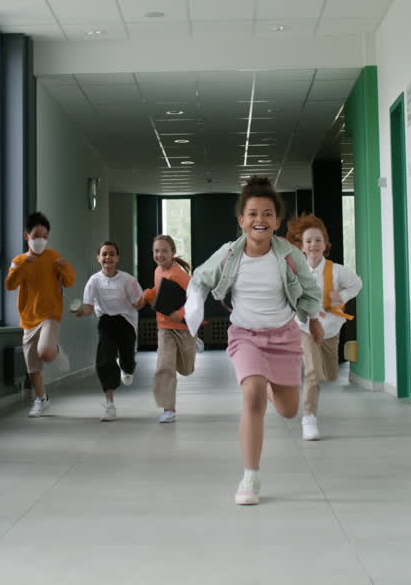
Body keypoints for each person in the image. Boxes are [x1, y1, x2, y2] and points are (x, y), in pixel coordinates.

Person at [185, 178, 322, 505]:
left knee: (289, 410)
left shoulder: (289, 255)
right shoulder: (229, 254)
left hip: (284, 335)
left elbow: (309, 290)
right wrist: (194, 306)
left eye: (267, 213)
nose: (260, 219)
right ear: (242, 220)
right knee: (253, 396)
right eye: (253, 213)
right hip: (245, 335)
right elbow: (199, 278)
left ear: (277, 221)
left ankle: (268, 384)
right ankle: (250, 477)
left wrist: (313, 318)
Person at [284, 213, 363, 441]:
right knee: (312, 373)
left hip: (331, 329)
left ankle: (318, 379)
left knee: (328, 373)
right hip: (306, 328)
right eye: (308, 241)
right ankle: (309, 419)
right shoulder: (296, 273)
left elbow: (357, 284)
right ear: (301, 246)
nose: (313, 244)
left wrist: (342, 296)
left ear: (325, 243)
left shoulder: (337, 270)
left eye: (318, 240)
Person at [4, 211, 76, 418]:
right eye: (36, 235)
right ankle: (42, 400)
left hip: (50, 315)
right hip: (28, 320)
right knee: (33, 367)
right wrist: (24, 264)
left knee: (45, 352)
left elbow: (69, 281)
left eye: (45, 236)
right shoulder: (19, 261)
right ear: (27, 236)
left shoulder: (53, 257)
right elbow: (10, 285)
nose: (41, 240)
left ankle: (54, 350)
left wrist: (64, 268)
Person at [75, 241, 145, 421]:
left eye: (112, 254)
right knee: (104, 361)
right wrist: (80, 312)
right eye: (104, 254)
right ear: (98, 258)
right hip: (106, 322)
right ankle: (110, 405)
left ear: (118, 258)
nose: (108, 257)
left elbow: (137, 303)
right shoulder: (94, 281)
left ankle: (127, 368)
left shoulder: (127, 280)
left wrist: (144, 300)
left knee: (127, 360)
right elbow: (88, 308)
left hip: (126, 322)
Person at [141, 235, 194, 424]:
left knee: (186, 369)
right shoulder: (157, 271)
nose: (160, 254)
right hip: (164, 327)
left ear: (173, 252)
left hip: (183, 328)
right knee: (165, 366)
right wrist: (147, 294)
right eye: (156, 251)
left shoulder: (179, 274)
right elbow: (160, 290)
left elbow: (196, 297)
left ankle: (194, 342)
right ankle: (168, 409)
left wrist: (181, 313)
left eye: (164, 251)